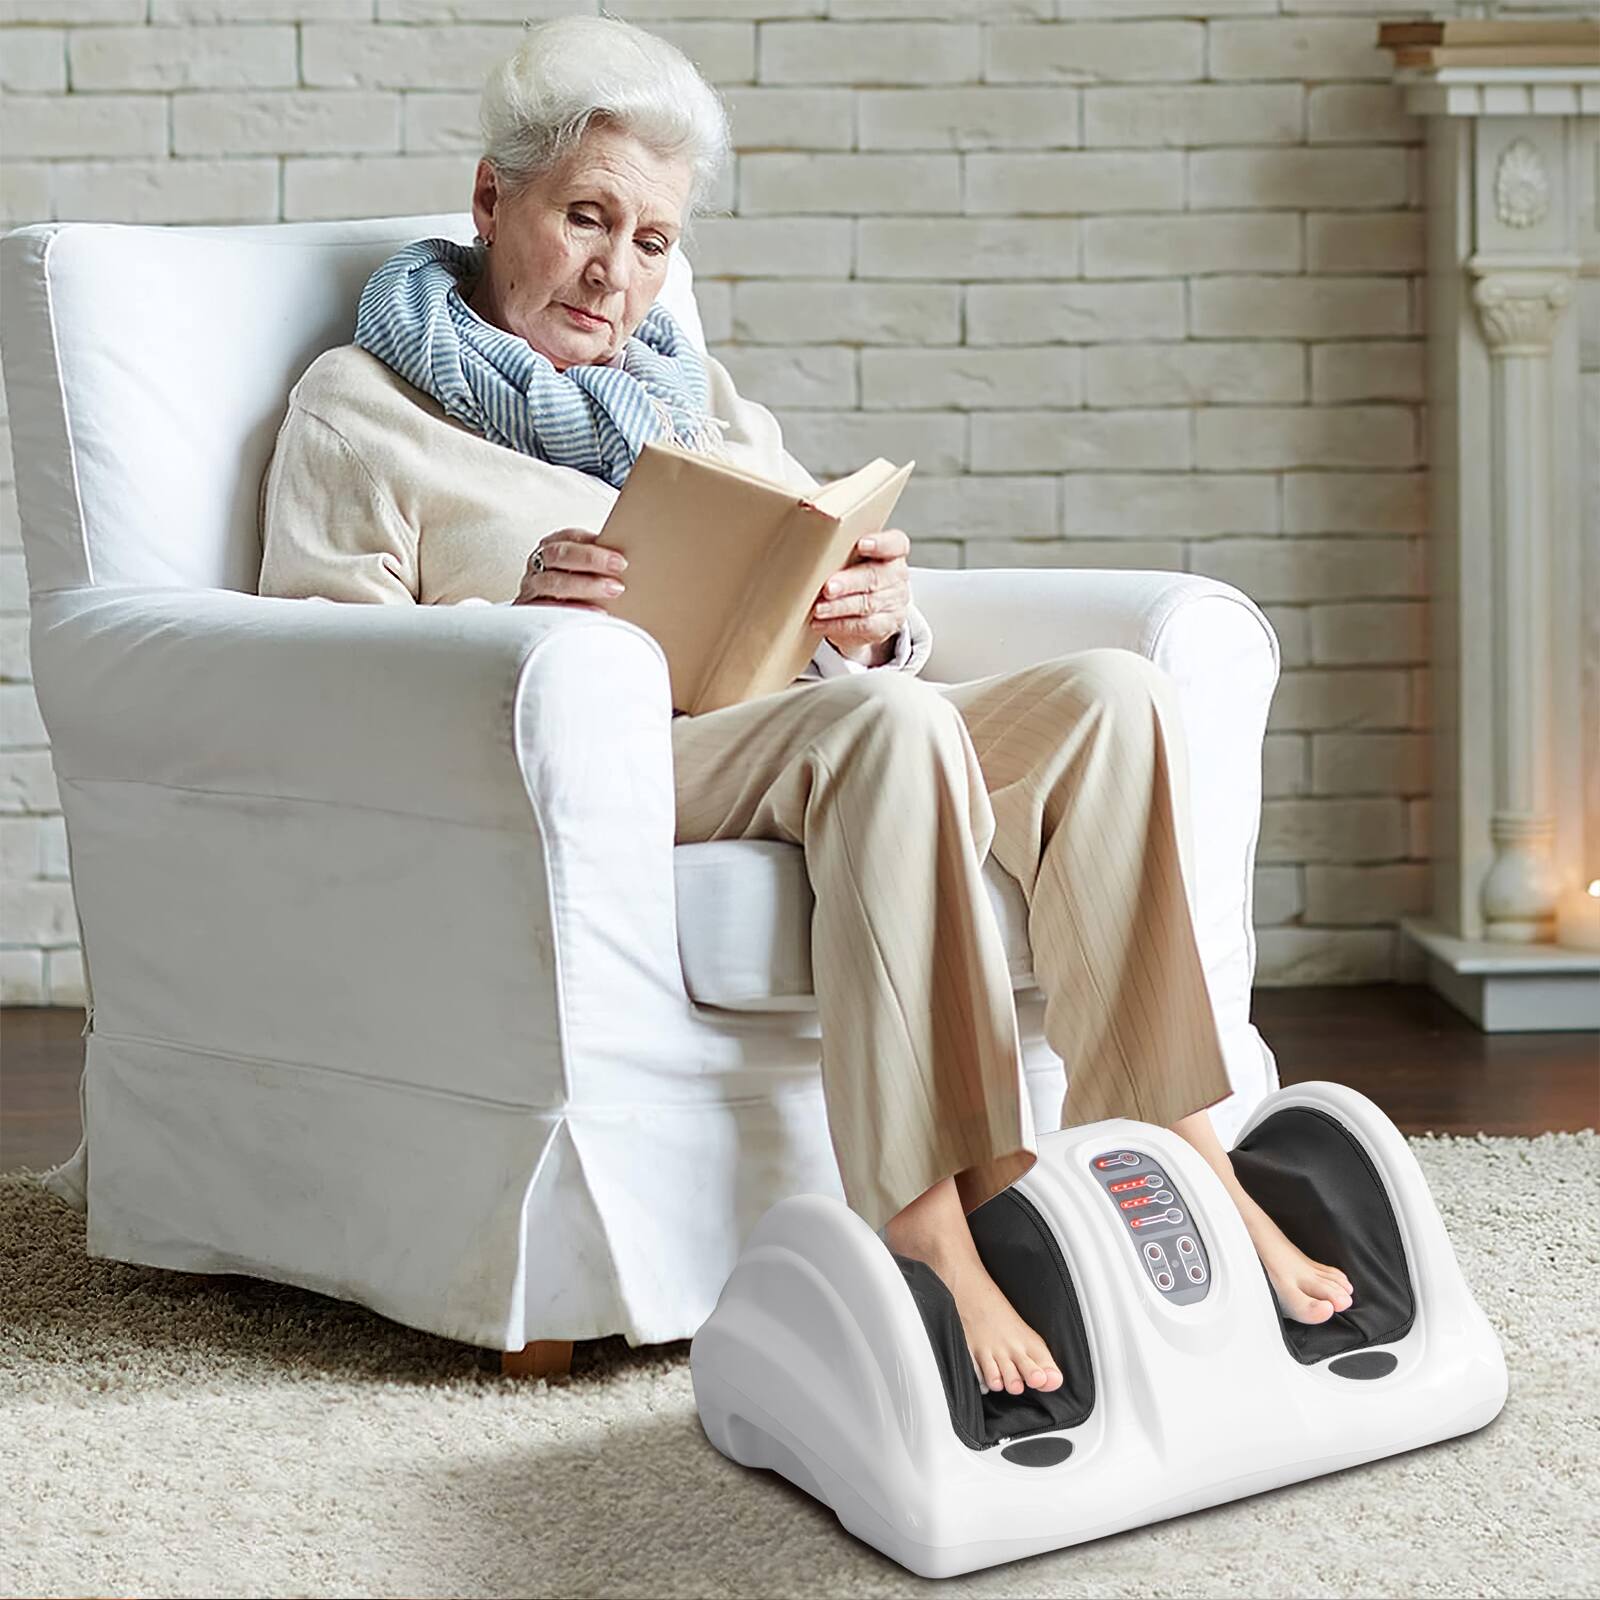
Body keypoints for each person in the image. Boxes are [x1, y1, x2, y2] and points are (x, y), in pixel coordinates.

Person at [259, 14, 1352, 1399]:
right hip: (610, 765)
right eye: (586, 218)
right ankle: (937, 1220)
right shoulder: (362, 406)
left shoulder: (692, 400)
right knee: (882, 733)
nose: (615, 272)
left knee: (1111, 697)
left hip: (786, 723)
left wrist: (876, 621)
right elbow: (308, 671)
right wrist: (509, 628)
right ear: (492, 199)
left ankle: (1178, 1150)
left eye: (653, 242)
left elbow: (824, 612)